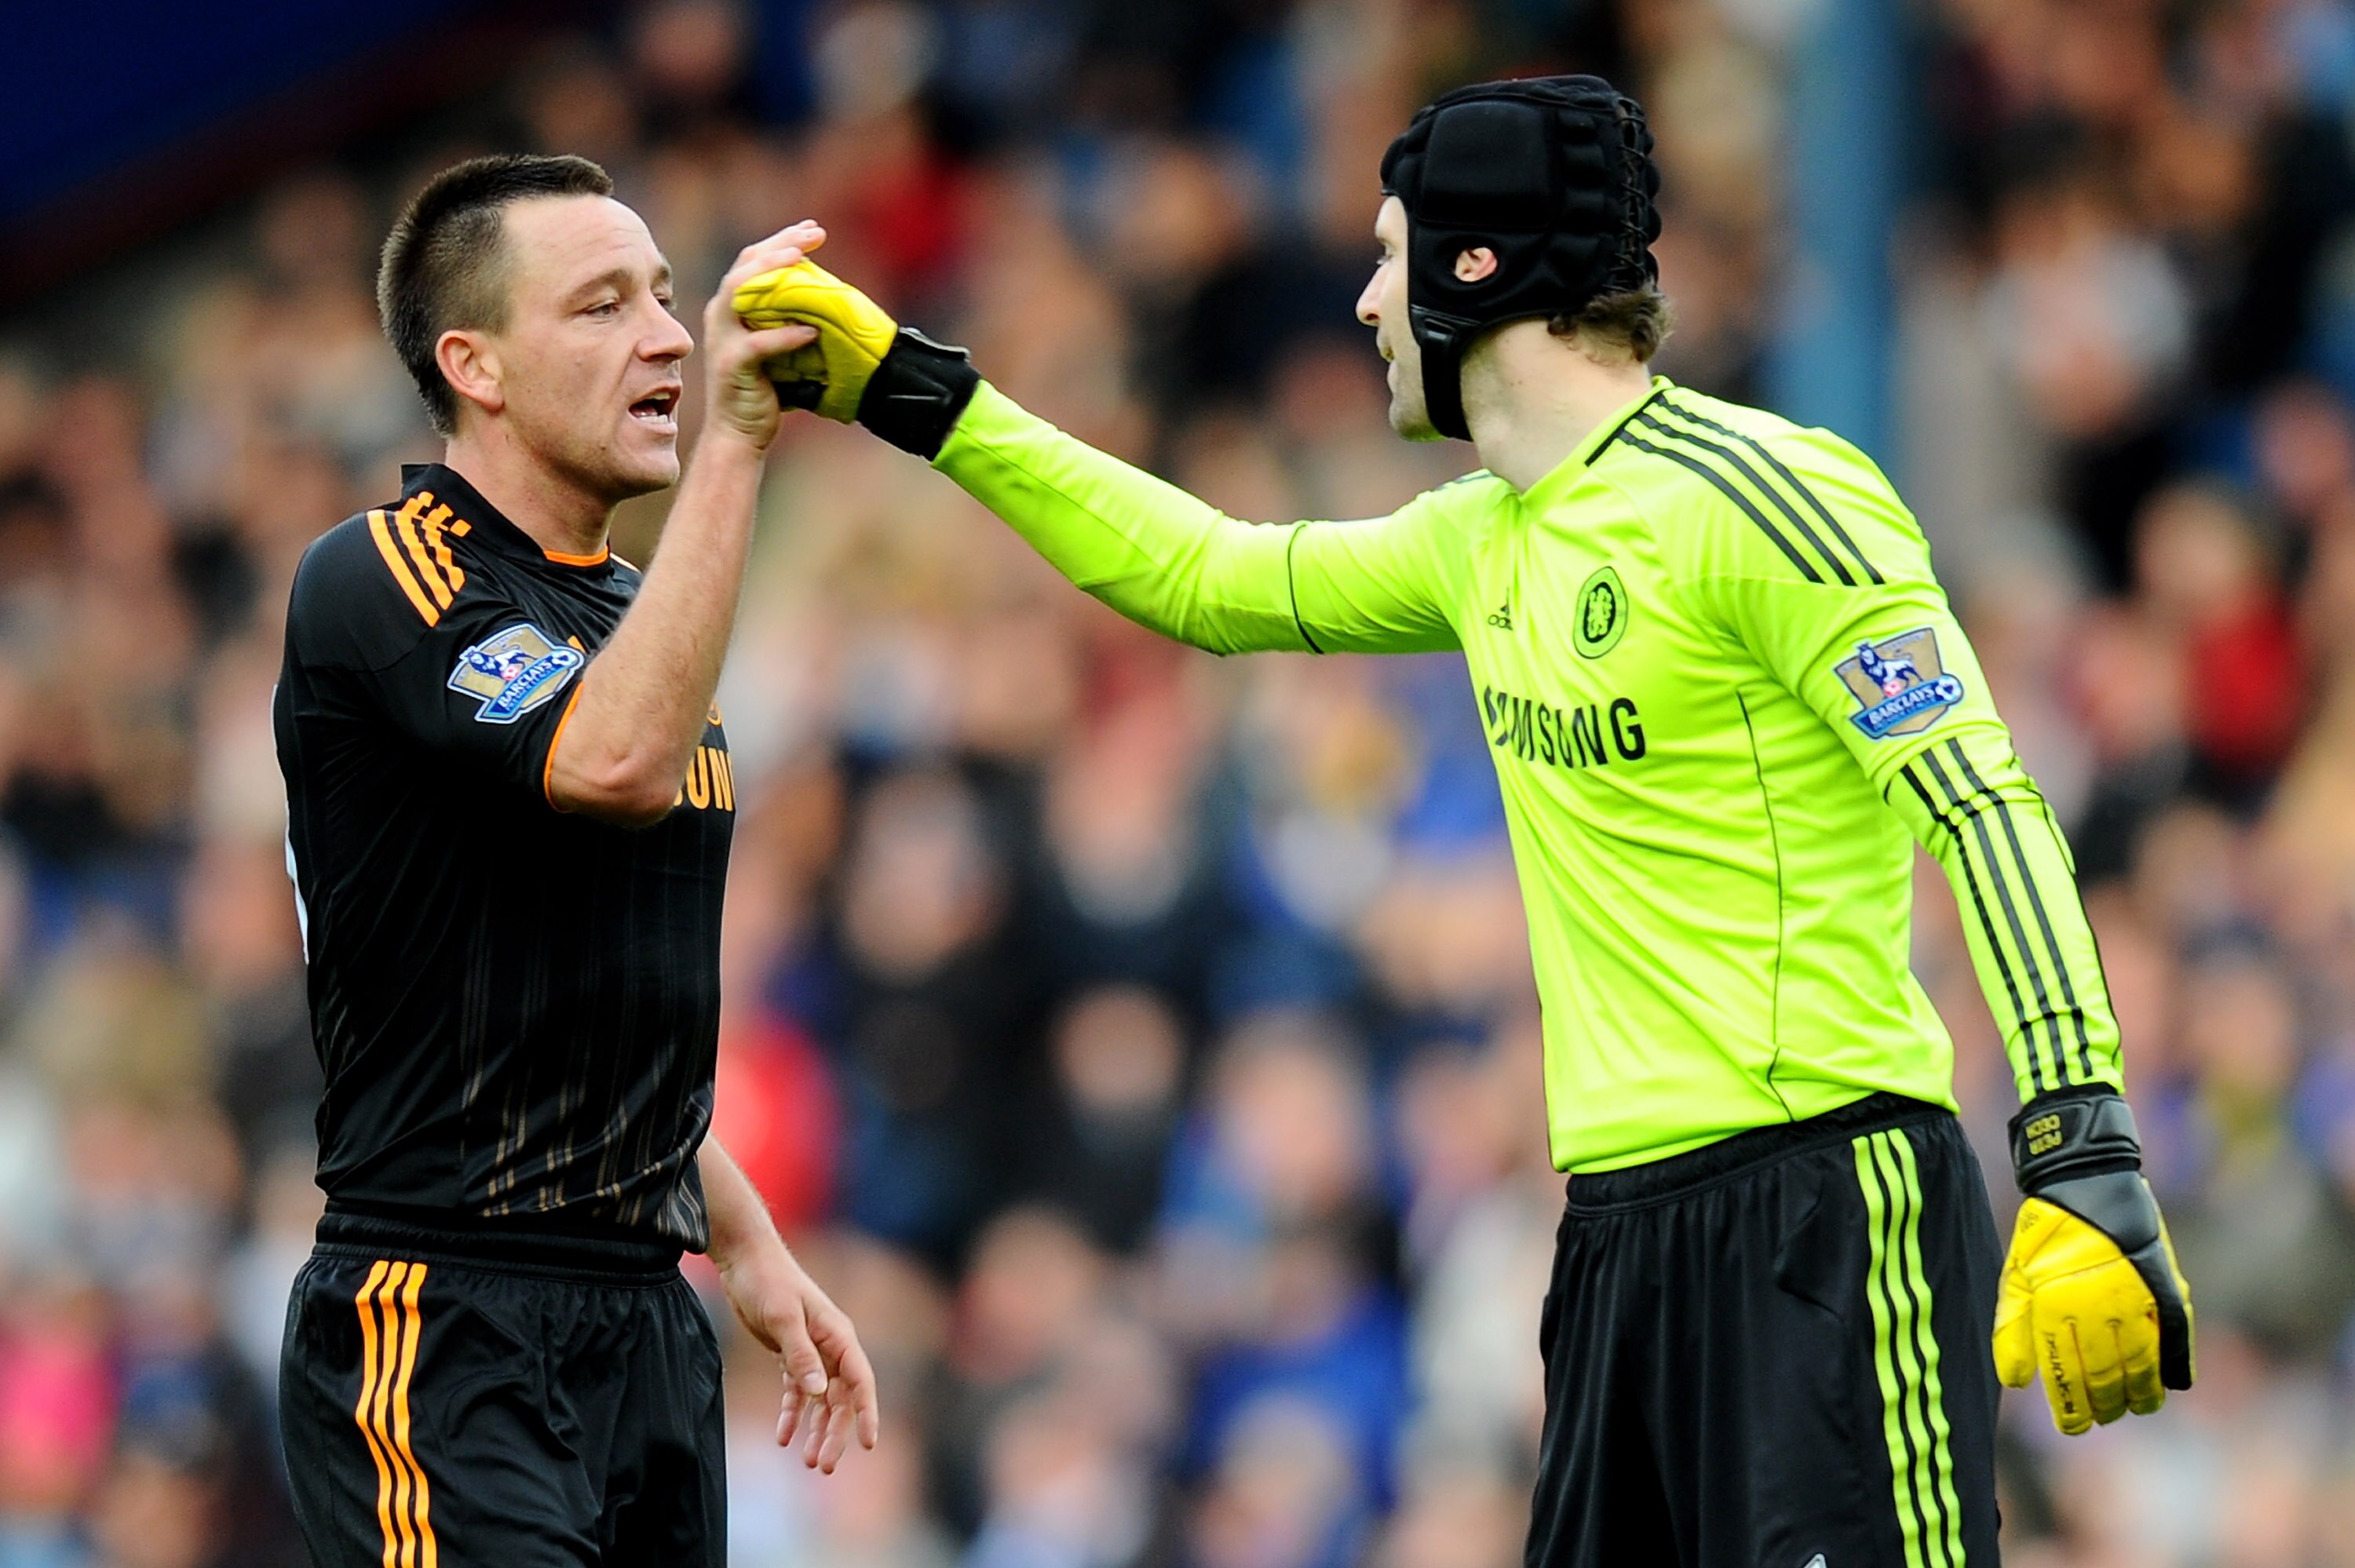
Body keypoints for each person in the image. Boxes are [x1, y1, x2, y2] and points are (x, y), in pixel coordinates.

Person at [736, 76, 2193, 1568]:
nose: (1369, 298)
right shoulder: (1476, 538)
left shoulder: (1766, 496)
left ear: (1475, 269)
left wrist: (2080, 1138)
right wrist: (917, 395)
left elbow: (1979, 799)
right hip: (1616, 1240)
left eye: (1390, 254)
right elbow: (1204, 578)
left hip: (1829, 1206)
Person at [272, 154, 878, 1568]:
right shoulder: (383, 573)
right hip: (441, 1320)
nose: (669, 335)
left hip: (644, 1330)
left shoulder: (634, 618)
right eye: (603, 306)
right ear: (472, 364)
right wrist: (733, 448)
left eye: (668, 297)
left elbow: (583, 996)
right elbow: (609, 767)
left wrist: (743, 1236)